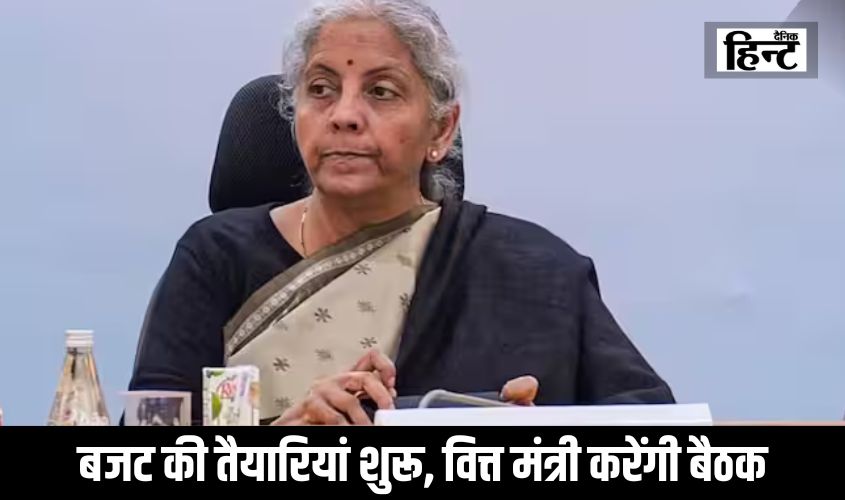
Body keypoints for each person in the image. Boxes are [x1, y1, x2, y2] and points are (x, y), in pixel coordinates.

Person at [127, 0, 674, 426]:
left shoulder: (533, 270)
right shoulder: (215, 259)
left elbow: (655, 435)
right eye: (321, 89)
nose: (344, 115)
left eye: (381, 92)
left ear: (441, 129)